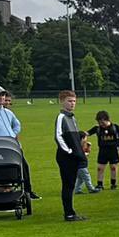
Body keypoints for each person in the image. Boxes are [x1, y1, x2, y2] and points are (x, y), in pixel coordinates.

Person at [52, 90, 89, 222]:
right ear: (62, 102)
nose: (72, 103)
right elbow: (58, 136)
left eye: (74, 101)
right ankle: (68, 213)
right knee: (68, 185)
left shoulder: (72, 117)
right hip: (66, 157)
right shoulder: (61, 117)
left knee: (71, 185)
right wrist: (69, 151)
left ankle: (71, 211)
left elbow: (74, 137)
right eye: (69, 101)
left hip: (73, 156)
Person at [0, 86, 36, 199]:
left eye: (3, 95)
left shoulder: (8, 112)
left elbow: (17, 124)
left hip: (12, 145)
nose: (2, 97)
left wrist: (13, 133)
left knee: (24, 167)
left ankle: (28, 191)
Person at [84, 110, 119, 191]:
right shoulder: (97, 128)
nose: (101, 124)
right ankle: (100, 184)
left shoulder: (115, 127)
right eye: (99, 122)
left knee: (113, 167)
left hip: (114, 150)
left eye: (102, 122)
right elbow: (87, 133)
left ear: (107, 119)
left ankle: (113, 184)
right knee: (100, 168)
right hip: (103, 150)